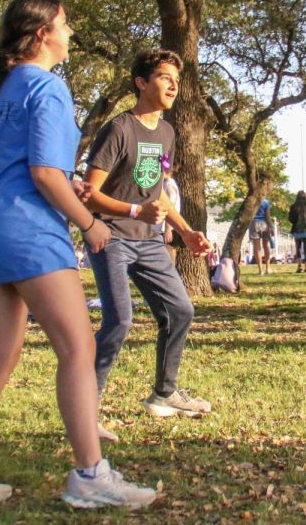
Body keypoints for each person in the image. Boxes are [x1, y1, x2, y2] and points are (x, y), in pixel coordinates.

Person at [0, 0, 155, 509]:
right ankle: (91, 477)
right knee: (77, 349)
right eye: (65, 24)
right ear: (40, 36)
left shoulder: (4, 86)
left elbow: (30, 167)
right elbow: (43, 174)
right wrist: (91, 224)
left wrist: (66, 190)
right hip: (25, 229)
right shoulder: (48, 87)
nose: (71, 32)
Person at [84, 49, 213, 433]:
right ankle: (86, 409)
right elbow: (89, 194)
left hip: (150, 242)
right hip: (112, 236)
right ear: (142, 83)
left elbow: (156, 193)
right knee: (119, 321)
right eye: (163, 76)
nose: (173, 83)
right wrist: (134, 212)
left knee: (181, 311)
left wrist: (187, 231)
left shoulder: (167, 133)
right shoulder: (119, 129)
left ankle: (164, 394)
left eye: (176, 77)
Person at [288, 191, 306, 273]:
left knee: (298, 248)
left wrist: (295, 222)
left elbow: (290, 218)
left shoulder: (293, 207)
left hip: (297, 230)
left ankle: (299, 265)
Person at [249, 198, 273, 275]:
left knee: (256, 247)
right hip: (264, 224)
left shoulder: (251, 201)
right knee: (265, 245)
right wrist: (271, 226)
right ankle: (268, 267)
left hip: (254, 223)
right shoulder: (266, 202)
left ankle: (260, 269)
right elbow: (267, 215)